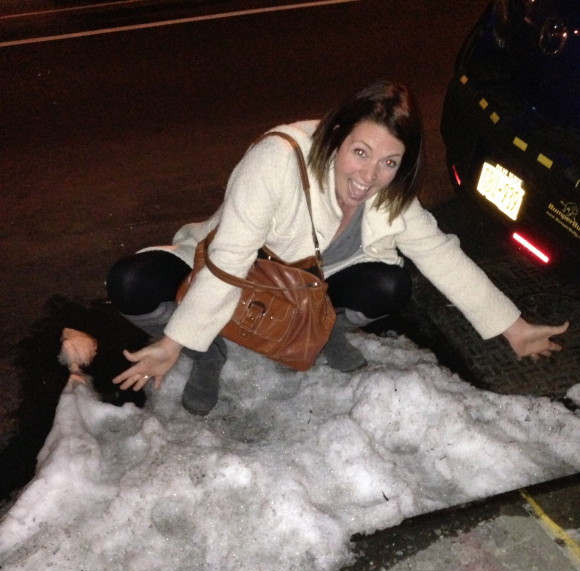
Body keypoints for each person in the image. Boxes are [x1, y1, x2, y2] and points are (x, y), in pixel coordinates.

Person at [107, 79, 569, 415]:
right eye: (360, 152)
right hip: (247, 269)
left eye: (389, 162)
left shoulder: (390, 193)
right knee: (130, 281)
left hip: (310, 292)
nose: (368, 176)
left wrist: (513, 328)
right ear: (336, 136)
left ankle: (323, 331)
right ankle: (204, 348)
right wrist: (174, 341)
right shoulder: (278, 159)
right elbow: (228, 261)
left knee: (390, 284)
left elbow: (441, 255)